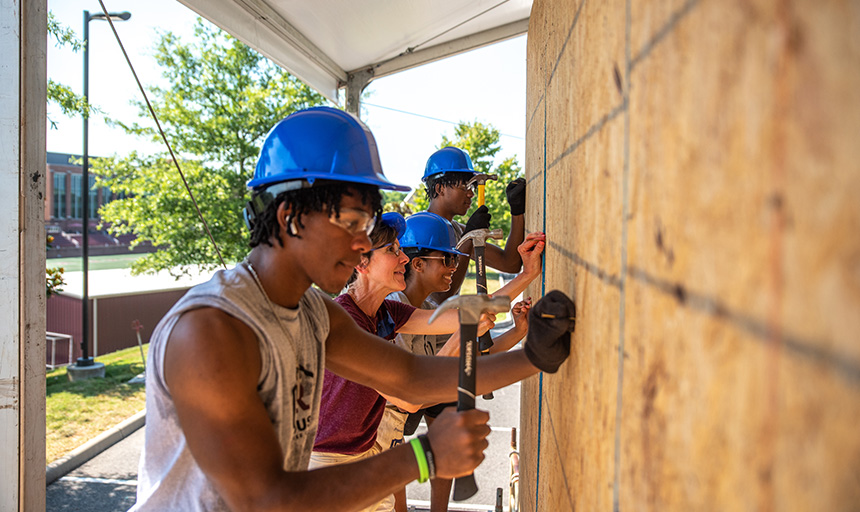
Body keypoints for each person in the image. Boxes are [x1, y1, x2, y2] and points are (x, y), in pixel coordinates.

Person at [131, 106, 575, 512]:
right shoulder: (213, 331)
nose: (365, 244)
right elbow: (264, 500)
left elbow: (412, 377)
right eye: (353, 222)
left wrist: (534, 356)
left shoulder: (313, 313)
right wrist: (423, 456)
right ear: (290, 216)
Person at [310, 211, 544, 512]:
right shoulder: (348, 321)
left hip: (365, 456)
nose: (404, 259)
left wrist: (527, 275)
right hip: (328, 466)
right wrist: (465, 334)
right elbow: (408, 398)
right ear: (361, 263)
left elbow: (463, 313)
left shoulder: (386, 313)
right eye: (393, 251)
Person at [378, 211, 540, 512]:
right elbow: (412, 397)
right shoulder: (389, 311)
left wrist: (520, 323)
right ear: (418, 263)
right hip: (372, 433)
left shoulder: (422, 311)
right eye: (448, 260)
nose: (455, 268)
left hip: (392, 430)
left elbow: (473, 355)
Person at [421, 146, 528, 306]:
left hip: (446, 329)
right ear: (440, 188)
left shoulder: (457, 230)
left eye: (472, 187)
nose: (471, 194)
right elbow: (440, 295)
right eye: (464, 186)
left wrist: (517, 211)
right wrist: (469, 239)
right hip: (423, 327)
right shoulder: (421, 230)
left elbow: (510, 264)